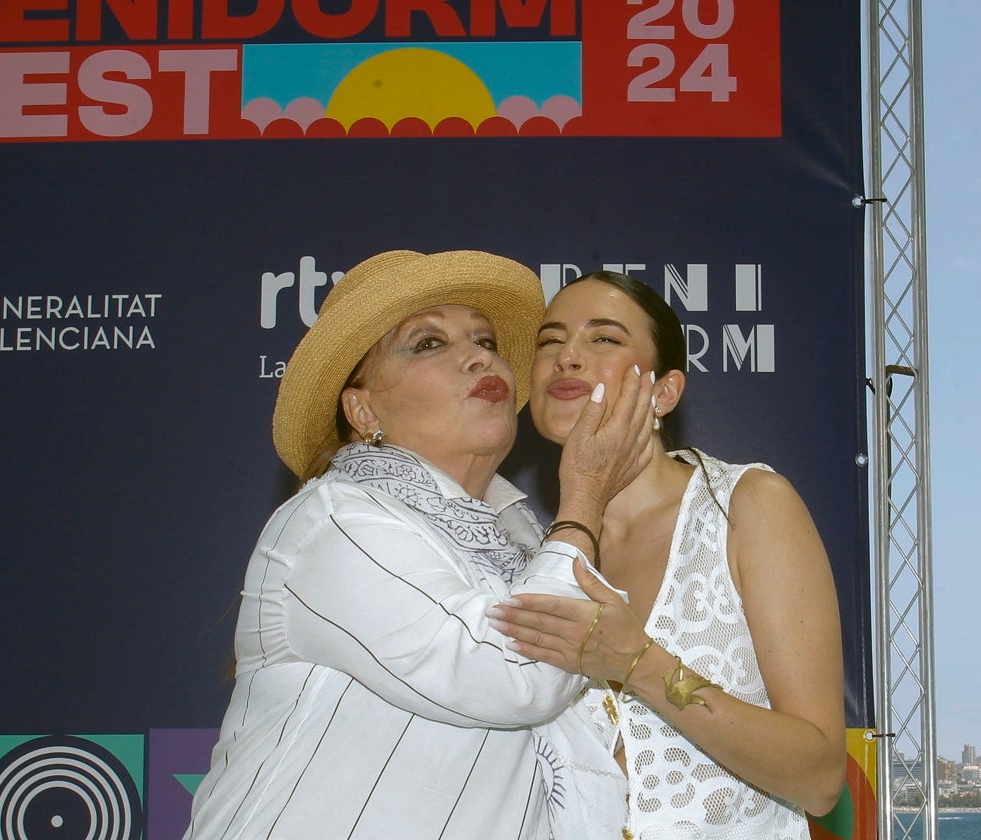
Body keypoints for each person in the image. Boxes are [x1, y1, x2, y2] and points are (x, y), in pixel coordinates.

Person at [183, 251, 654, 840]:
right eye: (428, 344)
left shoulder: (528, 541)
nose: (480, 355)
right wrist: (584, 494)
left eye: (485, 339)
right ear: (362, 409)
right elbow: (516, 675)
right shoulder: (336, 520)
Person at [487, 270, 847, 839]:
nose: (567, 357)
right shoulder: (525, 551)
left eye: (603, 338)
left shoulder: (746, 507)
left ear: (665, 391)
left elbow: (821, 777)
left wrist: (640, 663)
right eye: (549, 341)